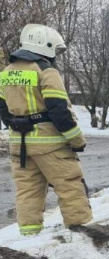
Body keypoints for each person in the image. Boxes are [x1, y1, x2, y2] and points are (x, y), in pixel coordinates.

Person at [0, 24, 91, 236]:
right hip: (50, 144)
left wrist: (17, 124)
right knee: (69, 186)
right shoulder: (46, 71)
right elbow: (59, 111)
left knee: (28, 191)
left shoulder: (5, 72)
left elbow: (3, 110)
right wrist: (77, 140)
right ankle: (82, 234)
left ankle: (30, 237)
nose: (56, 55)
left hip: (19, 145)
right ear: (45, 45)